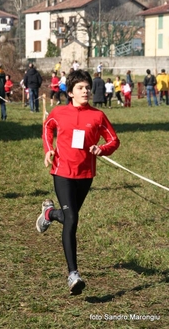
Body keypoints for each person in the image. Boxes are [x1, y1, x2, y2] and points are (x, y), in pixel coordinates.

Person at [36, 69, 120, 295]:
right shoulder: (59, 112)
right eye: (81, 88)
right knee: (72, 219)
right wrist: (48, 149)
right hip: (62, 171)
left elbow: (114, 140)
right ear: (70, 92)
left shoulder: (98, 116)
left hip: (85, 175)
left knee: (67, 217)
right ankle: (73, 274)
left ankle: (49, 214)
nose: (86, 91)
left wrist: (100, 149)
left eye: (87, 87)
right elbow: (47, 127)